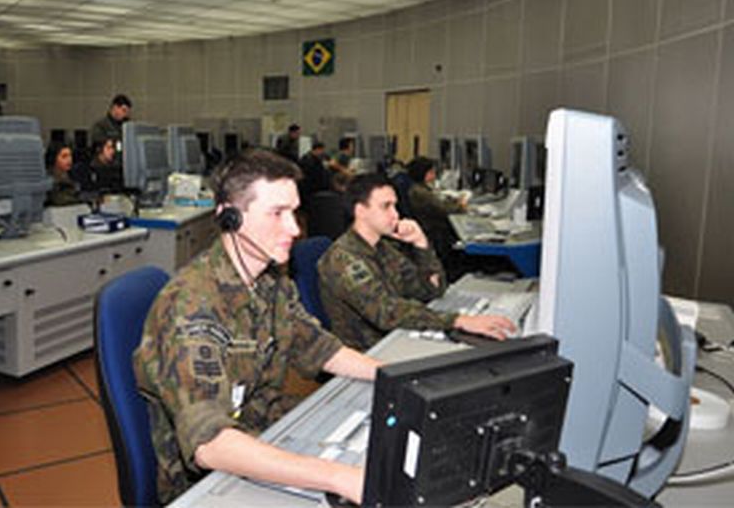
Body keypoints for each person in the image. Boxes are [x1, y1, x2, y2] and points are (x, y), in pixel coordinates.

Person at [133, 149, 380, 505]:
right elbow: (210, 443)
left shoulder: (270, 279)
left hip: (267, 428)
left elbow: (319, 347)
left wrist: (394, 375)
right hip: (209, 480)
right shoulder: (191, 306)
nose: (294, 228)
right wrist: (337, 476)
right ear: (230, 218)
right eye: (277, 213)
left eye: (294, 212)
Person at [317, 173, 516, 352]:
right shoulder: (342, 259)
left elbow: (431, 290)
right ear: (360, 211)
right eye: (386, 206)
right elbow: (386, 312)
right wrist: (457, 320)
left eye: (395, 206)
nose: (395, 214)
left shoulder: (383, 248)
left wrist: (421, 244)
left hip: (396, 336)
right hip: (371, 353)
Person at [406, 156, 468, 280]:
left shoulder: (420, 189)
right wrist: (461, 205)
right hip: (435, 231)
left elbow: (437, 203)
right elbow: (443, 209)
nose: (434, 175)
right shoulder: (420, 193)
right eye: (431, 172)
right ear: (424, 173)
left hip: (433, 228)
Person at [44, 141, 82, 206]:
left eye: (70, 155)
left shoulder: (73, 174)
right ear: (54, 158)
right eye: (64, 156)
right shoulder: (49, 178)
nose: (69, 160)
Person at [298, 141, 329, 207]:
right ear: (317, 149)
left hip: (309, 188)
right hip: (311, 188)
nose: (322, 153)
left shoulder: (307, 158)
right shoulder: (310, 160)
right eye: (321, 150)